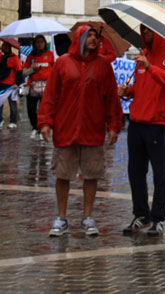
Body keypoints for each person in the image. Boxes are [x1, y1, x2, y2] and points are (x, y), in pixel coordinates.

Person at [38, 26, 123, 236]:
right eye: (90, 36)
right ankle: (61, 217)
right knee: (62, 174)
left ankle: (87, 217)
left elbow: (111, 98)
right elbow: (50, 95)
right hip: (66, 128)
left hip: (92, 129)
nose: (94, 39)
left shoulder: (103, 66)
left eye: (96, 36)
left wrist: (113, 125)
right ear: (80, 39)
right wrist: (45, 122)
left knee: (92, 174)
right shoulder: (63, 63)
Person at [118, 25, 165, 236]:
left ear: (158, 33)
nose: (144, 34)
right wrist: (128, 92)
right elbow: (141, 87)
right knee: (135, 172)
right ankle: (141, 214)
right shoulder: (142, 55)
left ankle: (158, 218)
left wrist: (151, 67)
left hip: (157, 123)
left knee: (160, 173)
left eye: (148, 31)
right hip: (137, 122)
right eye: (143, 30)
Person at [23, 34, 55, 139]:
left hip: (46, 85)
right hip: (33, 85)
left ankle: (42, 129)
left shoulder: (50, 54)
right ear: (34, 44)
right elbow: (23, 72)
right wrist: (32, 69)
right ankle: (35, 127)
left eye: (41, 42)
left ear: (45, 43)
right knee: (31, 109)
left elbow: (55, 69)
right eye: (37, 42)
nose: (39, 44)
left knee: (43, 109)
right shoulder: (30, 56)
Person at [0, 40, 22, 129]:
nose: (3, 48)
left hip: (11, 85)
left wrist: (17, 83)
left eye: (5, 46)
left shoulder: (14, 58)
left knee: (12, 104)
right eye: (3, 46)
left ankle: (13, 121)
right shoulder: (1, 58)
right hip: (1, 83)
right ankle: (0, 120)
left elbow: (19, 71)